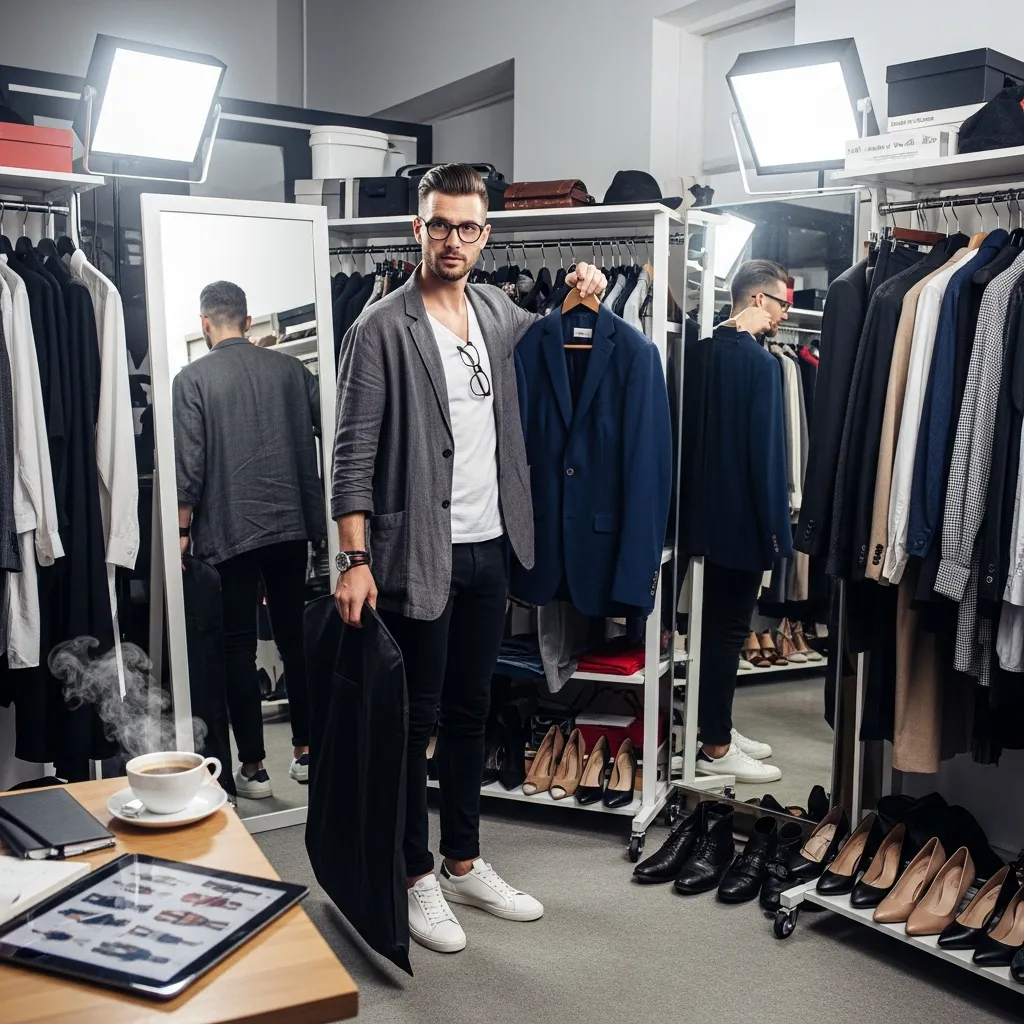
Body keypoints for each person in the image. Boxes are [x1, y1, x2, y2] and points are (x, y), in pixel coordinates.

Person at [332, 163, 606, 954]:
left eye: (469, 227)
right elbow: (351, 456)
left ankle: (463, 859)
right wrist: (353, 559)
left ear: (488, 235)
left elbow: (558, 346)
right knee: (415, 718)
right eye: (440, 225)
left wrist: (582, 291)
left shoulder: (499, 312)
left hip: (491, 543)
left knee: (469, 712)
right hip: (417, 552)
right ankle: (413, 875)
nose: (454, 240)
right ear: (416, 228)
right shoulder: (381, 325)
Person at [174, 281, 325, 799]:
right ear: (248, 319)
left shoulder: (191, 379)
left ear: (205, 324)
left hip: (230, 527)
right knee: (294, 639)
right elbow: (331, 425)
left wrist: (181, 530)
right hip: (290, 522)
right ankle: (307, 754)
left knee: (237, 649)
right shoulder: (292, 370)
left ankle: (254, 768)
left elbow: (189, 463)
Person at [695, 259, 792, 784]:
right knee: (729, 631)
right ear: (757, 300)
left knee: (711, 631)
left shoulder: (699, 350)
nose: (783, 314)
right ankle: (715, 742)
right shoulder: (760, 364)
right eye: (780, 303)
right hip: (744, 520)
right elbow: (768, 457)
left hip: (700, 518)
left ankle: (719, 726)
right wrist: (778, 533)